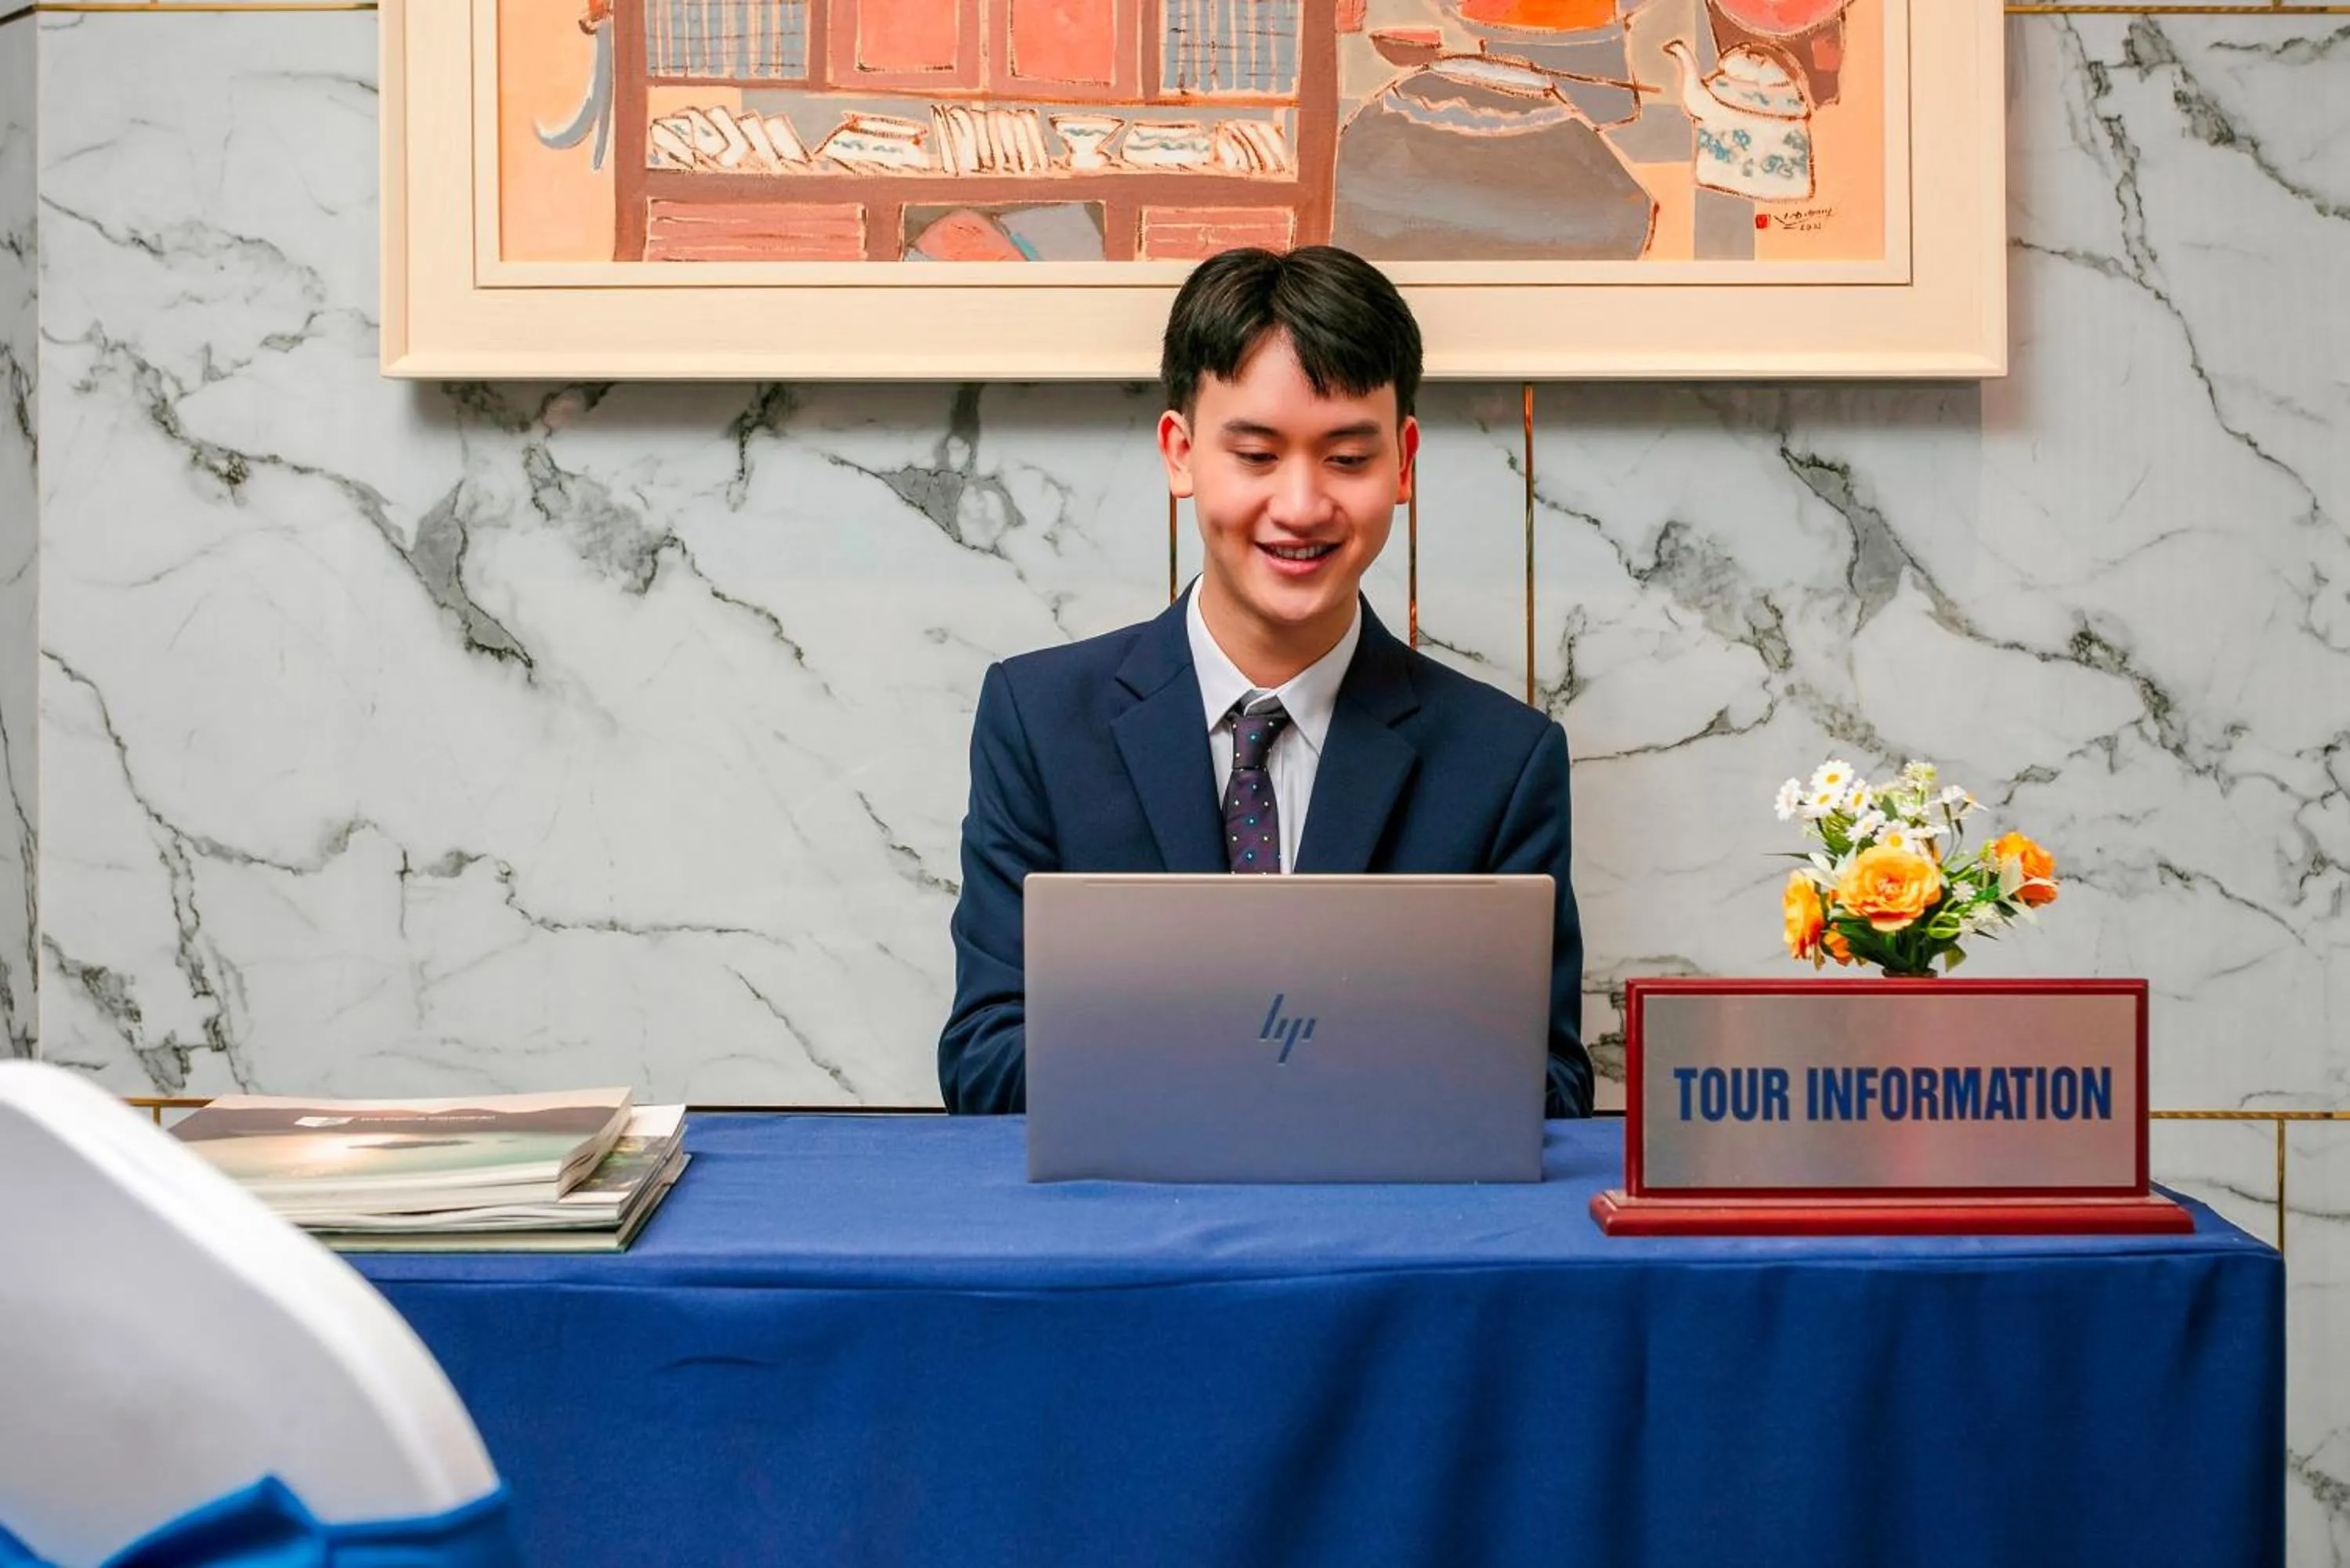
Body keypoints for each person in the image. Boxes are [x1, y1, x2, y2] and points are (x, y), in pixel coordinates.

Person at [938, 245, 1591, 1118]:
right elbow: (985, 1063)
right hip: (1119, 1236)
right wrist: (1285, 1057)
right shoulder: (1039, 720)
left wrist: (1185, 1048)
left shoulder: (1505, 761)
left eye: (1346, 459)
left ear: (1403, 464)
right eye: (1254, 453)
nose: (1300, 505)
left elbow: (1547, 1083)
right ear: (1181, 454)